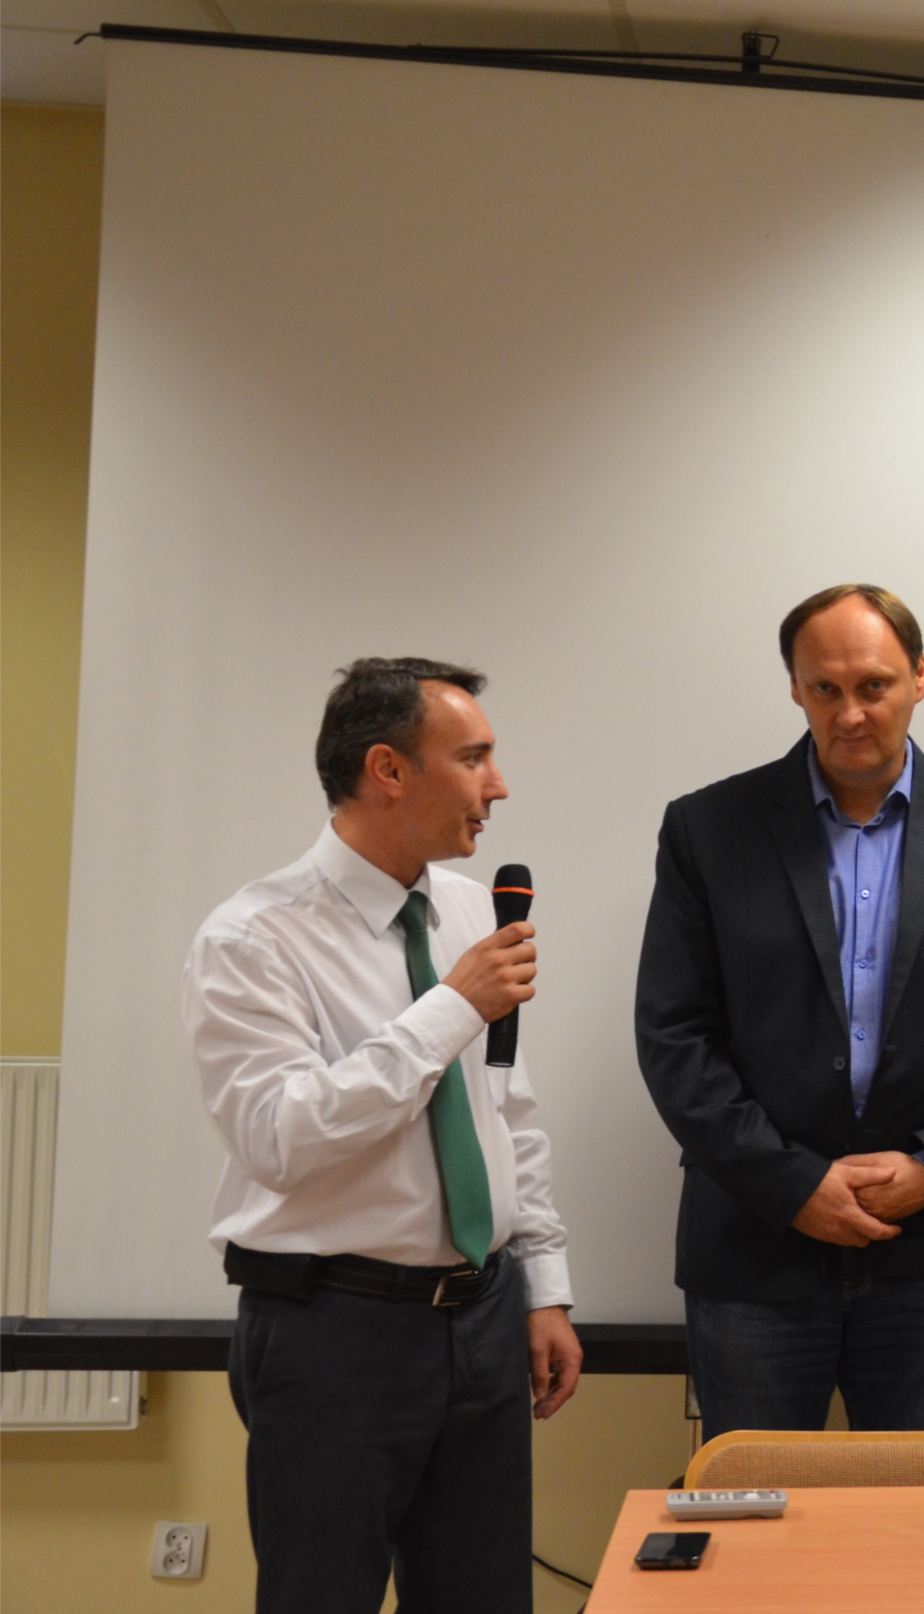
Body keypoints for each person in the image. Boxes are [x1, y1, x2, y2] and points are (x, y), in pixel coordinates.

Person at [183, 657, 579, 1614]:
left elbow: (504, 1108)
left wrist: (543, 1285)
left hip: (483, 1317)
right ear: (388, 770)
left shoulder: (472, 910)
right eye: (473, 758)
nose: (498, 786)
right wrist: (450, 1009)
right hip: (334, 1330)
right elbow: (279, 1137)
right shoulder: (252, 938)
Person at [635, 585, 924, 1434]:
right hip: (755, 1249)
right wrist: (793, 1184)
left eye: (874, 686)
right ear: (795, 688)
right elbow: (676, 1037)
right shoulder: (708, 829)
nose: (851, 713)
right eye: (825, 689)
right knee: (758, 1508)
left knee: (917, 1512)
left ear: (920, 677)